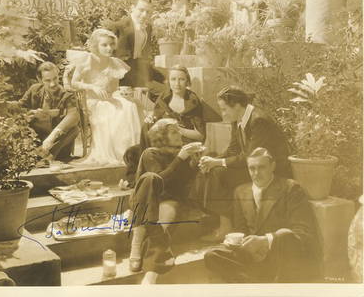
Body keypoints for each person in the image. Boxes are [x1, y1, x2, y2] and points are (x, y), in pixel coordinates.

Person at [203, 147, 322, 283]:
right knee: (212, 255)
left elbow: (303, 233)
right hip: (253, 257)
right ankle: (255, 283)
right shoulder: (240, 191)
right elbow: (241, 230)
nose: (256, 173)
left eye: (261, 167)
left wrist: (266, 241)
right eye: (252, 168)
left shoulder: (291, 188)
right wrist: (236, 243)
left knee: (284, 235)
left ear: (273, 166)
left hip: (281, 255)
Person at [190, 85, 291, 242]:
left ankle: (226, 226)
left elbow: (250, 156)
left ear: (237, 106)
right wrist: (211, 161)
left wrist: (218, 163)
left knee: (218, 173)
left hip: (270, 169)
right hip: (252, 166)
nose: (222, 113)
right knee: (210, 168)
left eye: (224, 109)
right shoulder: (238, 119)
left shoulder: (259, 120)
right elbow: (233, 149)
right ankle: (218, 219)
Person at [128, 118, 203, 284]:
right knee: (149, 178)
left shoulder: (182, 153)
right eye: (174, 132)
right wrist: (181, 159)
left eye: (179, 131)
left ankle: (150, 272)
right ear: (162, 136)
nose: (179, 134)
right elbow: (160, 181)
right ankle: (137, 242)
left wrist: (194, 165)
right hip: (148, 197)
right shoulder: (151, 153)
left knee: (163, 220)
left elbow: (181, 184)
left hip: (171, 199)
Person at [121, 65, 205, 189]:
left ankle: (146, 182)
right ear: (169, 81)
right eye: (173, 79)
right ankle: (137, 180)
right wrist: (151, 118)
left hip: (181, 142)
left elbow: (200, 135)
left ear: (187, 81)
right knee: (132, 151)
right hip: (162, 139)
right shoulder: (165, 97)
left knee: (151, 154)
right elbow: (156, 117)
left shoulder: (192, 101)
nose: (177, 84)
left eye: (181, 79)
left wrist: (177, 130)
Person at [71, 28, 141, 166]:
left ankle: (129, 153)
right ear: (96, 45)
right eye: (104, 45)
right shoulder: (86, 60)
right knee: (110, 110)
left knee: (130, 106)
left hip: (109, 98)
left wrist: (120, 94)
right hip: (93, 101)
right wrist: (92, 87)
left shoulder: (114, 62)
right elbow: (74, 82)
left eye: (111, 44)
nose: (109, 48)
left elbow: (114, 88)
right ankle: (115, 153)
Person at [17, 61, 80, 162]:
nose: (53, 84)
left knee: (75, 129)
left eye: (55, 78)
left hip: (56, 145)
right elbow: (19, 108)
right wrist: (31, 114)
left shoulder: (67, 95)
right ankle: (37, 154)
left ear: (58, 75)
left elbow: (73, 116)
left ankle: (48, 156)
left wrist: (51, 138)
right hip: (36, 139)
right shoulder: (34, 90)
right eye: (47, 80)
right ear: (40, 79)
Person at [103, 0, 165, 90]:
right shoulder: (118, 26)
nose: (144, 14)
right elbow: (106, 54)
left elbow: (145, 56)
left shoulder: (148, 28)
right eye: (141, 10)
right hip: (122, 76)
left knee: (165, 85)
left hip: (140, 73)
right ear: (132, 8)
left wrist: (162, 78)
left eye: (148, 12)